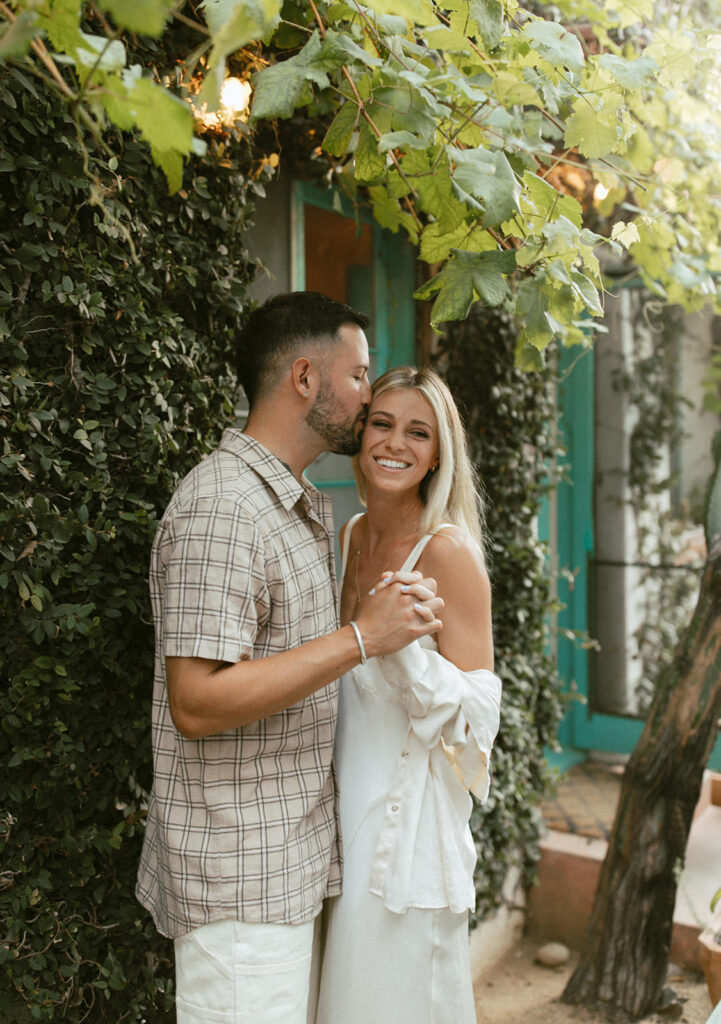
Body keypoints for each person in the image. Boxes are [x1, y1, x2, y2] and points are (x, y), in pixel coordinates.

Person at [135, 293, 444, 1024]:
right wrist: (362, 637)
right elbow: (197, 702)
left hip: (287, 871)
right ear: (305, 377)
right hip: (239, 884)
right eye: (360, 375)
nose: (369, 397)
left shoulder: (295, 504)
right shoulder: (224, 509)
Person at [315, 366, 503, 1024]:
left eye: (417, 433)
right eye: (383, 424)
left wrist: (404, 657)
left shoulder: (448, 554)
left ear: (436, 454)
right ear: (360, 432)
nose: (395, 444)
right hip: (337, 813)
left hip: (403, 828)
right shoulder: (349, 536)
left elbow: (480, 717)